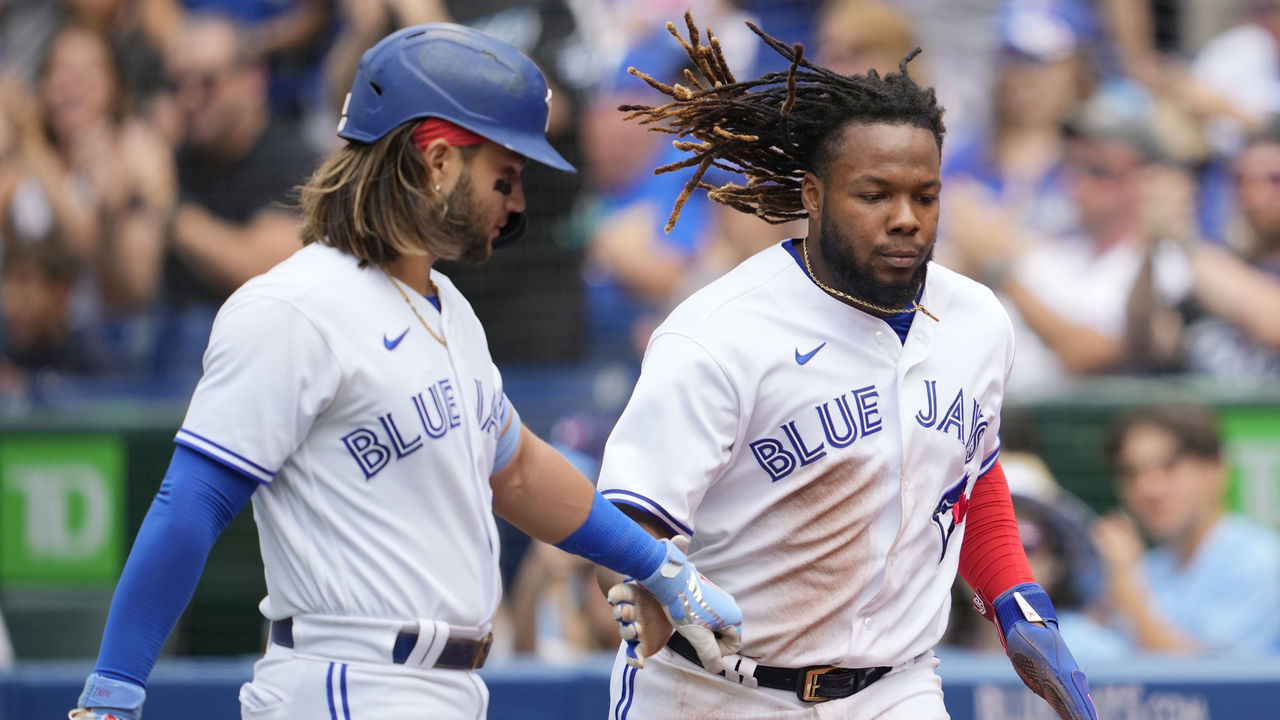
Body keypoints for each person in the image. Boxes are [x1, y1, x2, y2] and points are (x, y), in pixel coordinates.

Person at [67, 23, 743, 720]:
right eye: (503, 177)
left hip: (447, 687)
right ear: (437, 162)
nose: (516, 204)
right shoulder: (294, 307)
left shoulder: (448, 308)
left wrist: (655, 564)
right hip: (347, 682)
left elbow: (516, 472)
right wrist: (115, 687)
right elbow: (192, 503)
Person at [595, 13, 1097, 720]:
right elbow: (627, 522)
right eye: (875, 194)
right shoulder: (719, 333)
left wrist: (1018, 604)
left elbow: (968, 469)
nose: (905, 218)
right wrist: (644, 581)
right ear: (813, 194)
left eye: (925, 196)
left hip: (896, 689)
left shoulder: (978, 321)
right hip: (715, 692)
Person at [1092, 403, 1280, 655]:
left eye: (1169, 466)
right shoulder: (1145, 566)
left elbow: (1205, 681)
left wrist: (1129, 589)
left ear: (1216, 469)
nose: (1149, 488)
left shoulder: (1261, 560)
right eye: (1131, 473)